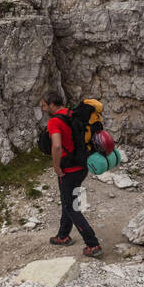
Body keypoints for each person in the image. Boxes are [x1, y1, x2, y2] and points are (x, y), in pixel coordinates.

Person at [40, 91, 103, 255]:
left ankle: (93, 244)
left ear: (51, 104)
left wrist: (56, 166)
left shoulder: (54, 121)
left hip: (68, 169)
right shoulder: (71, 114)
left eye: (44, 105)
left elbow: (57, 146)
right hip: (82, 166)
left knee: (71, 206)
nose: (43, 108)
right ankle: (63, 235)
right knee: (68, 201)